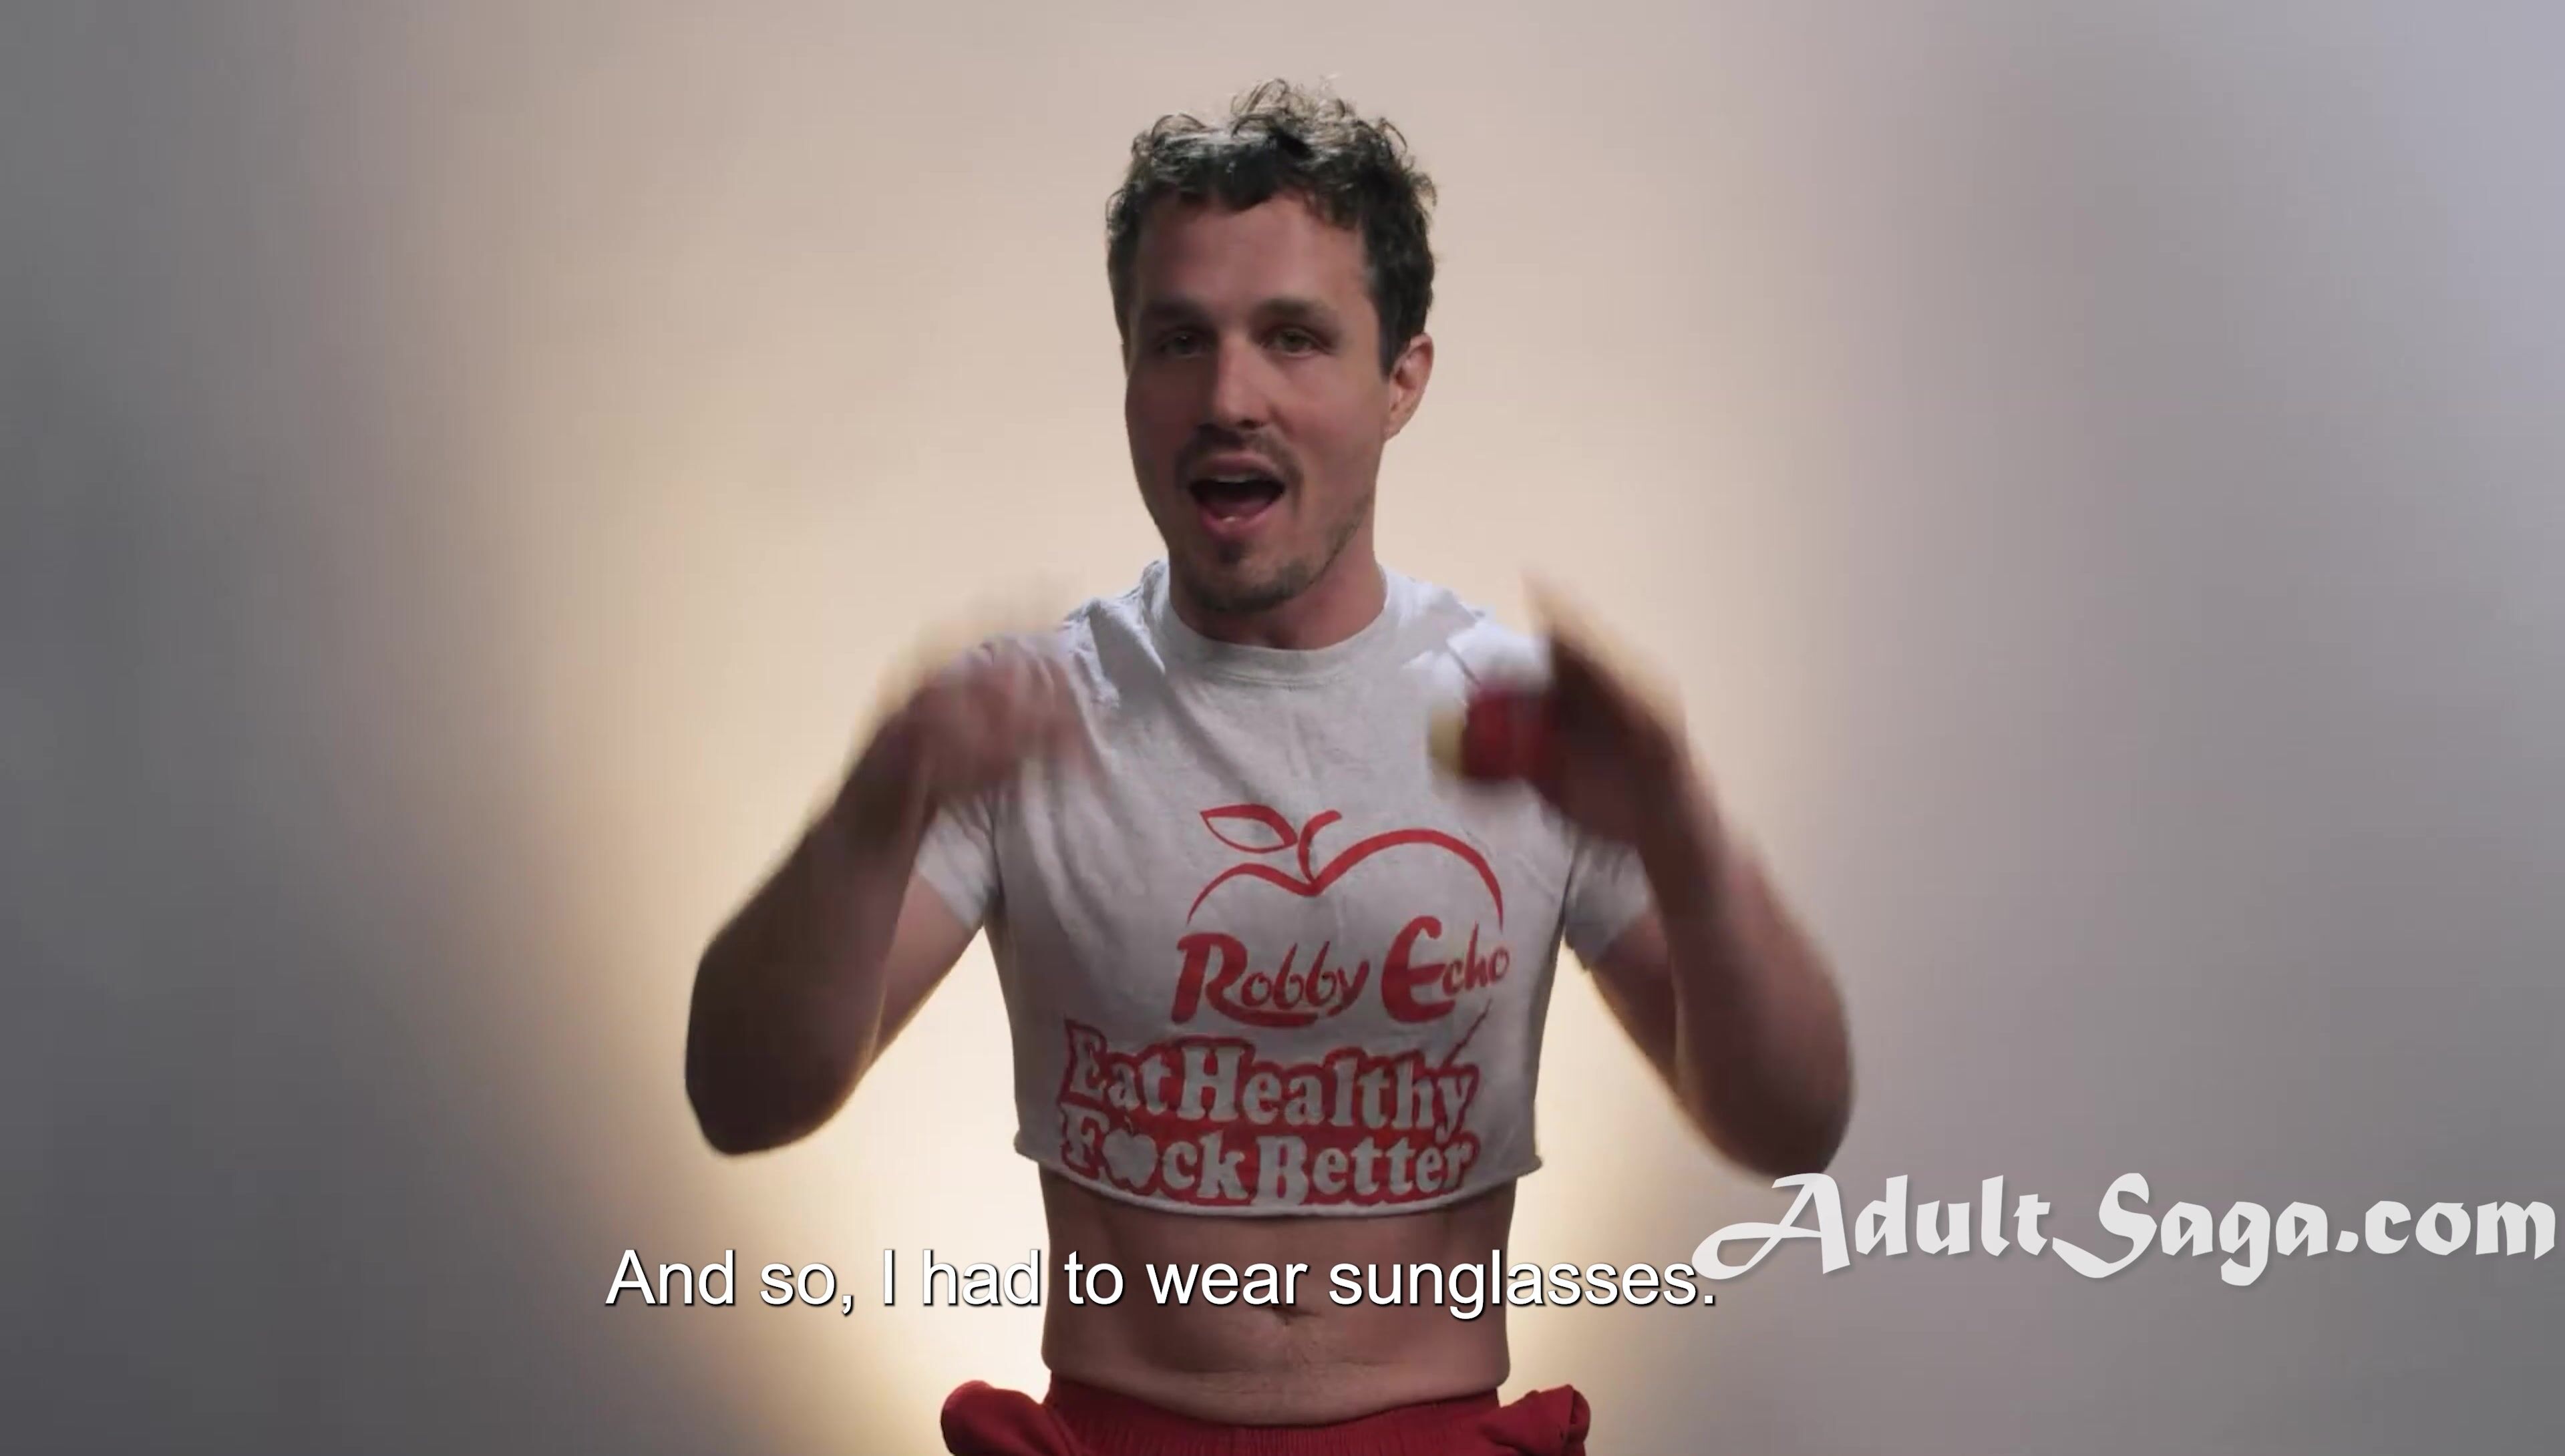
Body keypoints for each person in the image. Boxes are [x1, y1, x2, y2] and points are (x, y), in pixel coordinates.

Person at [685, 79, 1852, 1456]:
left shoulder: (1528, 730)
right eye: (1180, 340)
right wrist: (872, 805)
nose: (1228, 396)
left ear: (1401, 379)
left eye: (1294, 339)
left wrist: (1683, 828)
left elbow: (1792, 1126)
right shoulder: (1029, 716)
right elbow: (744, 1098)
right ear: (1129, 373)